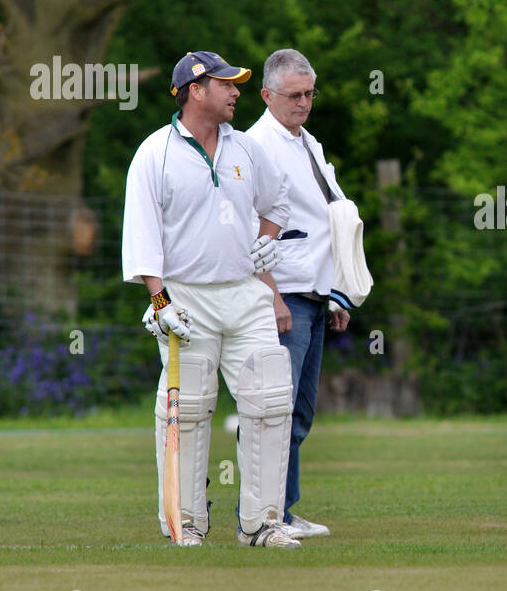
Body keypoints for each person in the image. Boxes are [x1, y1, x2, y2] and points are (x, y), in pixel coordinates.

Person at [122, 50, 301, 548]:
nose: (236, 91)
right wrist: (161, 305)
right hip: (187, 299)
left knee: (268, 404)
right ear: (195, 90)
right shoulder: (154, 153)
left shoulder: (245, 150)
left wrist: (267, 239)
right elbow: (141, 239)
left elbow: (277, 200)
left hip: (246, 292)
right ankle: (187, 525)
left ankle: (263, 525)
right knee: (189, 410)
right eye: (226, 84)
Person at [246, 48, 353, 540]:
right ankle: (264, 517)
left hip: (313, 292)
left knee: (299, 411)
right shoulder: (255, 147)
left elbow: (327, 218)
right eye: (294, 95)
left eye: (310, 93)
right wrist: (271, 295)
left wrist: (336, 293)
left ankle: (284, 511)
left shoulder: (306, 140)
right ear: (267, 95)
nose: (304, 102)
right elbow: (252, 229)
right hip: (283, 294)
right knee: (274, 409)